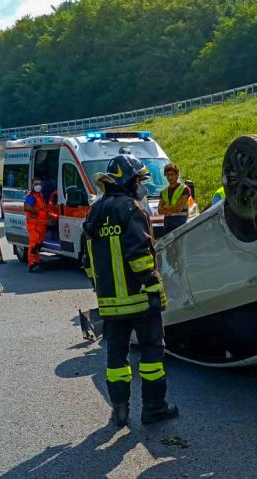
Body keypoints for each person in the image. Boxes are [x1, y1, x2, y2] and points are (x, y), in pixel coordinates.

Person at [83, 154, 179, 427]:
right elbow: (139, 256)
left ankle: (120, 411)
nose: (142, 186)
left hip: (110, 303)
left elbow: (87, 261)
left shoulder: (95, 211)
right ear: (128, 181)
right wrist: (154, 287)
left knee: (116, 358)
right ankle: (154, 408)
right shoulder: (132, 209)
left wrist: (100, 288)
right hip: (139, 299)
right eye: (139, 180)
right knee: (151, 355)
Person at [157, 163, 191, 234]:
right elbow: (159, 211)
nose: (169, 177)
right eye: (167, 175)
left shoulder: (184, 189)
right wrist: (173, 208)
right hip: (167, 222)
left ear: (177, 175)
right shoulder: (163, 192)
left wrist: (166, 207)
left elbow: (179, 208)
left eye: (172, 175)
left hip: (180, 221)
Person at [24, 177, 48, 273]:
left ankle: (36, 261)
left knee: (38, 245)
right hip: (34, 225)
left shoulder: (40, 195)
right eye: (36, 184)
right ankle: (32, 264)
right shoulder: (31, 196)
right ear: (32, 185)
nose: (38, 186)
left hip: (41, 225)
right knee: (33, 245)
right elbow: (27, 207)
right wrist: (37, 212)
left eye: (39, 184)